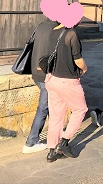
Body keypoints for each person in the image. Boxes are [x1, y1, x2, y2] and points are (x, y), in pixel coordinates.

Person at [44, 25, 88, 163]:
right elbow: (78, 60)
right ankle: (64, 142)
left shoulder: (53, 32)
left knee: (56, 116)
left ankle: (52, 152)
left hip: (52, 78)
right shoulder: (71, 34)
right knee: (80, 110)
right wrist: (85, 69)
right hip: (67, 80)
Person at [22, 18, 58, 154]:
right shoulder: (56, 29)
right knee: (44, 107)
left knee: (51, 105)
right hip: (46, 74)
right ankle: (31, 142)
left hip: (36, 73)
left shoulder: (41, 26)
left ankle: (56, 132)